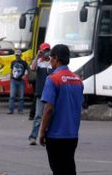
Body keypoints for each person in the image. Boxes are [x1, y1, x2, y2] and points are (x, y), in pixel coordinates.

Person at [40, 44, 84, 175]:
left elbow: (48, 109)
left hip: (56, 135)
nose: (50, 61)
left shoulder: (53, 79)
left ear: (56, 58)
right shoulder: (78, 80)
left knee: (58, 169)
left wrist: (42, 132)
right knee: (69, 167)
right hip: (72, 134)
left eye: (51, 58)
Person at [28, 43, 53, 145]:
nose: (46, 52)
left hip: (51, 94)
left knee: (50, 116)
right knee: (38, 116)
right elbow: (33, 68)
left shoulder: (53, 62)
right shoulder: (38, 62)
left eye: (47, 50)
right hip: (40, 94)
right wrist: (37, 56)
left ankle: (48, 137)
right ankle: (33, 137)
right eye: (44, 50)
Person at [8, 50, 28, 114]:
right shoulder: (13, 62)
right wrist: (10, 77)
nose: (17, 56)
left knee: (21, 97)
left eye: (18, 55)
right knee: (12, 96)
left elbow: (27, 70)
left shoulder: (24, 62)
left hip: (21, 81)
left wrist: (25, 75)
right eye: (16, 55)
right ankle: (11, 110)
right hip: (13, 80)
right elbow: (11, 70)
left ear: (21, 55)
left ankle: (20, 110)